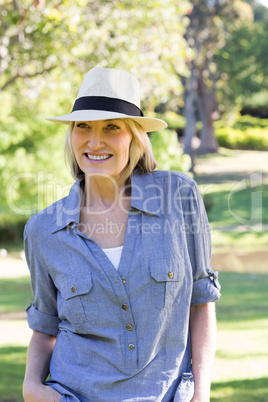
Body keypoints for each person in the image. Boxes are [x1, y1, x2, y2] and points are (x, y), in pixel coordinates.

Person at [23, 66, 221, 402]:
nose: (94, 141)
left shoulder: (179, 197)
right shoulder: (43, 230)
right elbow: (46, 325)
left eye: (111, 127)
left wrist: (200, 393)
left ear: (134, 137)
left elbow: (201, 301)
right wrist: (32, 386)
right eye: (82, 126)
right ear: (71, 135)